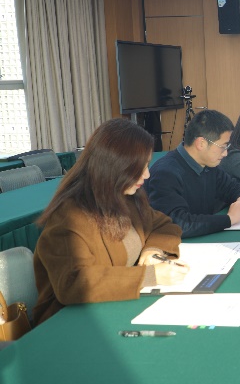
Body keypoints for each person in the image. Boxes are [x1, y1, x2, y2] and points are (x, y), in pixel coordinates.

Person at [32, 119, 189, 326]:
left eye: (147, 165)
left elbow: (163, 225)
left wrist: (152, 251)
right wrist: (148, 276)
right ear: (115, 166)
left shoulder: (125, 196)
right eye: (140, 167)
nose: (147, 174)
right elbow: (74, 282)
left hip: (115, 308)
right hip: (72, 323)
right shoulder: (69, 215)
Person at [146, 109, 240, 238]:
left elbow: (235, 187)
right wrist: (229, 219)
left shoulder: (209, 166)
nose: (225, 153)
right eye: (223, 147)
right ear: (201, 143)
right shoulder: (165, 173)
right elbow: (175, 225)